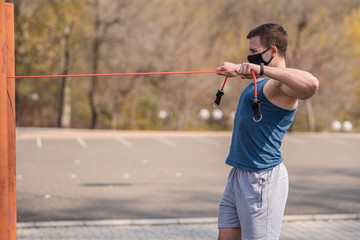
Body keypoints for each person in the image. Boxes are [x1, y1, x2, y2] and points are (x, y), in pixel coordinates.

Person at [215, 23, 319, 240]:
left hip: (261, 178)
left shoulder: (282, 87)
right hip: (239, 173)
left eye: (254, 51)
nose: (250, 56)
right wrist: (239, 71)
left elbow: (311, 84)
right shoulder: (266, 81)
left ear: (272, 51)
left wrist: (259, 69)